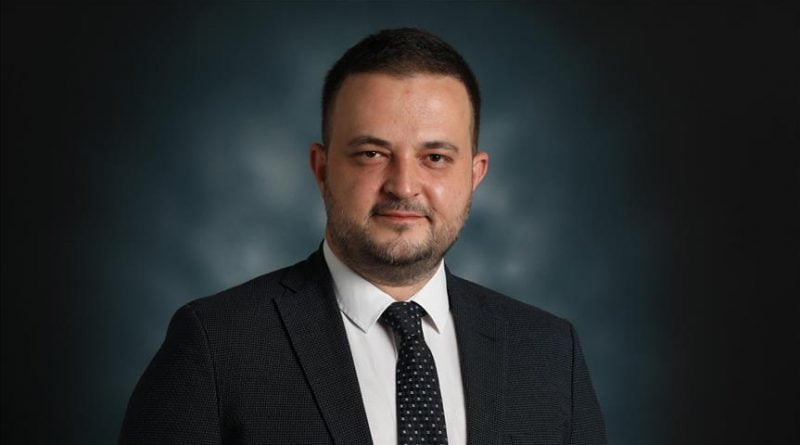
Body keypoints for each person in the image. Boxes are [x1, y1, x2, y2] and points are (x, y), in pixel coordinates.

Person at [120, 28, 606, 445]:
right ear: (322, 168)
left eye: (435, 157)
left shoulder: (549, 352)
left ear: (474, 174)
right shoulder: (215, 345)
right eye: (372, 154)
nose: (404, 186)